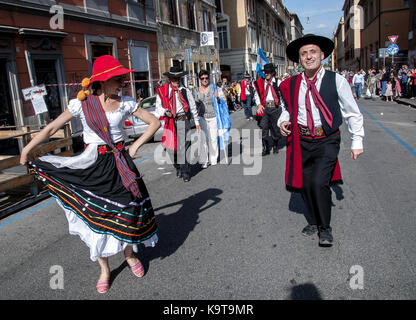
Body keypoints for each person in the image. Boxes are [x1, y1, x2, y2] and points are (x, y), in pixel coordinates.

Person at [19, 55, 161, 293]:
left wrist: (135, 146)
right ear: (103, 81)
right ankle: (104, 269)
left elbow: (154, 122)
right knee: (97, 217)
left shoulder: (126, 102)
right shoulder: (81, 104)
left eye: (123, 79)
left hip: (121, 165)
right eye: (118, 79)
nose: (123, 83)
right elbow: (53, 127)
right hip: (94, 166)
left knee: (130, 212)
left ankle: (129, 255)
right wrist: (27, 148)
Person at [278, 34, 364, 247]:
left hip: (327, 140)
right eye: (304, 53)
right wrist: (283, 120)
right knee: (306, 185)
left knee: (318, 182)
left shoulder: (337, 80)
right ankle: (314, 221)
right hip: (302, 140)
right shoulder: (292, 83)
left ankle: (325, 228)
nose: (308, 57)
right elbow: (287, 109)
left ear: (322, 55)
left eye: (313, 52)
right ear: (299, 59)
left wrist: (357, 141)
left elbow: (352, 113)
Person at [154, 66, 201, 182]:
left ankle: (185, 172)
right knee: (170, 149)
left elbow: (193, 107)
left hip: (183, 120)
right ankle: (178, 167)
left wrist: (197, 122)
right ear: (170, 79)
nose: (176, 81)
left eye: (178, 78)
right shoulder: (163, 91)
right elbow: (157, 109)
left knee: (184, 148)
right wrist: (165, 111)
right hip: (170, 122)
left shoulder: (185, 91)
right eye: (174, 79)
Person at [195, 69, 231, 168]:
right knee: (204, 139)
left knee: (213, 138)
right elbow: (194, 105)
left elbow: (223, 102)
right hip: (202, 118)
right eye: (202, 78)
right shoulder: (196, 90)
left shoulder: (214, 88)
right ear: (199, 79)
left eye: (206, 78)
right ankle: (205, 160)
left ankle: (213, 158)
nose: (205, 80)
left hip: (214, 117)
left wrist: (218, 98)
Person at [253, 63, 285, 156]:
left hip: (275, 108)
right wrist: (259, 104)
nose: (266, 74)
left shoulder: (279, 82)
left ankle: (275, 145)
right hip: (265, 108)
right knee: (263, 127)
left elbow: (282, 96)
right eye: (265, 72)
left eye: (268, 72)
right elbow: (256, 94)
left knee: (275, 128)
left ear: (273, 72)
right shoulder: (261, 83)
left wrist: (282, 108)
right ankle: (265, 148)